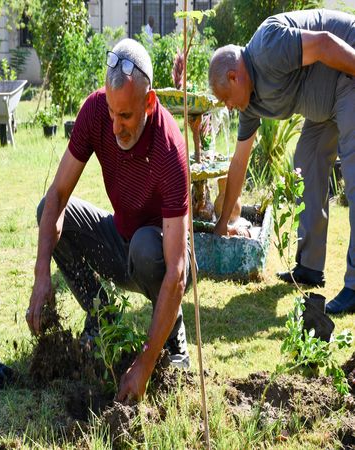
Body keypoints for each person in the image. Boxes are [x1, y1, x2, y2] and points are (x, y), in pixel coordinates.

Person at [26, 38, 191, 402]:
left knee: (148, 248)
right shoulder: (96, 111)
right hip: (119, 238)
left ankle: (174, 335)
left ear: (149, 102)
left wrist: (144, 365)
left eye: (127, 116)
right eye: (113, 114)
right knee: (48, 213)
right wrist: (41, 276)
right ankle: (103, 318)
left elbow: (177, 269)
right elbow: (57, 196)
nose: (116, 127)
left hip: (159, 253)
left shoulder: (170, 150)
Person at [208, 9, 355, 314]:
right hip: (323, 107)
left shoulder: (267, 47)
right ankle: (309, 267)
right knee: (307, 164)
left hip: (348, 67)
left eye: (225, 99)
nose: (229, 108)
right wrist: (223, 223)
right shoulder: (249, 103)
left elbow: (326, 44)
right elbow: (240, 161)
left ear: (235, 77)